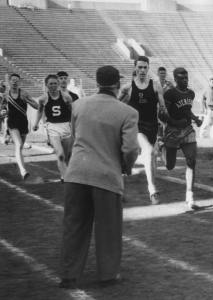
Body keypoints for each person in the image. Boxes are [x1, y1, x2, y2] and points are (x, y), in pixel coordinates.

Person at [60, 65, 139, 289]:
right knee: (109, 228)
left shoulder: (78, 105)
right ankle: (108, 274)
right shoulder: (127, 112)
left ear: (97, 82)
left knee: (74, 226)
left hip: (76, 173)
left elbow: (74, 138)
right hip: (106, 175)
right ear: (116, 84)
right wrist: (126, 166)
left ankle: (69, 274)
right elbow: (131, 149)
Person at [119, 56, 166, 205]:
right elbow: (114, 104)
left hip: (152, 126)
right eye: (139, 67)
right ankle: (152, 190)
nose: (142, 70)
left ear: (148, 68)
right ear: (135, 68)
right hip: (136, 126)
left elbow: (163, 109)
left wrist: (166, 121)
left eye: (145, 67)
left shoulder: (155, 86)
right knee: (149, 150)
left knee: (151, 157)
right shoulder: (128, 87)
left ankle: (129, 163)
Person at [159, 67, 203, 210]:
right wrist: (175, 122)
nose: (185, 80)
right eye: (182, 78)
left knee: (191, 160)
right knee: (169, 166)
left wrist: (195, 118)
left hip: (187, 129)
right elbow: (162, 114)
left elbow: (186, 109)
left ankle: (190, 196)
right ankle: (162, 147)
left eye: (186, 77)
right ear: (175, 79)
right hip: (173, 129)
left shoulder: (191, 93)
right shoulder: (170, 93)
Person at [33, 74, 74, 182]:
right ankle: (64, 176)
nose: (53, 86)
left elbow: (73, 111)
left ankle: (65, 173)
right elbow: (40, 111)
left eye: (55, 83)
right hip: (52, 127)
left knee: (67, 155)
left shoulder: (66, 97)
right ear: (46, 85)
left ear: (58, 84)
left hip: (66, 127)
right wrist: (36, 123)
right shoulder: (43, 98)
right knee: (60, 154)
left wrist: (75, 124)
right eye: (51, 84)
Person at [3, 73, 39, 179]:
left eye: (16, 80)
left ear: (20, 82)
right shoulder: (5, 96)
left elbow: (37, 106)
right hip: (12, 123)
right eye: (13, 80)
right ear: (9, 82)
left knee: (20, 147)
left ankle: (19, 163)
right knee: (18, 145)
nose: (14, 82)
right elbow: (2, 109)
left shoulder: (24, 93)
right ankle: (23, 172)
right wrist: (3, 112)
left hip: (23, 123)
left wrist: (27, 100)